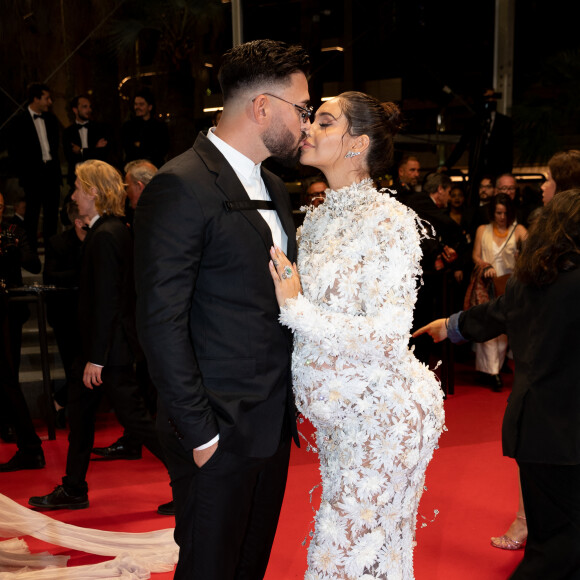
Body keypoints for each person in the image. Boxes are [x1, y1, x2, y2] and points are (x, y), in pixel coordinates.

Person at [134, 39, 310, 580]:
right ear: (262, 108)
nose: (306, 123)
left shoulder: (276, 185)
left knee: (248, 566)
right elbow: (159, 321)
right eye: (302, 109)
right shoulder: (179, 184)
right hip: (216, 431)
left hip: (272, 426)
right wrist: (202, 435)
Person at [268, 91, 445, 579]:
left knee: (340, 558)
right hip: (340, 421)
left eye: (324, 122)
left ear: (357, 144)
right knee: (374, 559)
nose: (308, 129)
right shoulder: (318, 219)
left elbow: (388, 335)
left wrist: (296, 308)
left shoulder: (390, 220)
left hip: (384, 418)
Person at [414, 189, 580, 579]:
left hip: (537, 429)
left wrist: (450, 326)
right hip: (561, 433)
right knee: (560, 547)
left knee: (552, 535)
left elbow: (491, 314)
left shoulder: (533, 282)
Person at [28, 160, 168, 512]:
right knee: (81, 419)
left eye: (77, 187)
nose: (73, 195)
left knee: (137, 421)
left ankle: (195, 480)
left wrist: (97, 358)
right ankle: (74, 488)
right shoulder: (109, 229)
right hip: (101, 349)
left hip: (109, 352)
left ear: (92, 191)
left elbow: (108, 301)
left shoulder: (107, 234)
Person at [0, 191, 44, 472]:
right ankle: (26, 443)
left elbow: (33, 263)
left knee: (7, 377)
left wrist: (13, 249)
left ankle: (29, 446)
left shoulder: (13, 231)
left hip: (7, 312)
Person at [469, 194, 526, 390]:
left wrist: (521, 258)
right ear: (492, 212)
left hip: (509, 284)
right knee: (488, 324)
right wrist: (484, 266)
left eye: (505, 213)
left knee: (503, 329)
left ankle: (494, 368)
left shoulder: (519, 230)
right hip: (487, 283)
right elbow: (475, 255)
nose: (502, 217)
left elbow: (529, 254)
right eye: (498, 212)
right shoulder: (482, 230)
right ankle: (491, 372)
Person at [8, 82, 61, 248]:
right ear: (36, 99)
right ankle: (29, 251)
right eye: (46, 98)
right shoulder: (19, 121)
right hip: (33, 175)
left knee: (51, 214)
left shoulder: (52, 120)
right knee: (32, 213)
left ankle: (51, 249)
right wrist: (24, 175)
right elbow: (15, 152)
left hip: (51, 171)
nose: (50, 102)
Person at [62, 95, 111, 190]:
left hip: (98, 176)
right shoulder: (68, 132)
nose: (89, 110)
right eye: (85, 107)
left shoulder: (100, 129)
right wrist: (94, 149)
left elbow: (102, 154)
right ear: (75, 110)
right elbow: (70, 157)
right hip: (77, 178)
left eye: (90, 107)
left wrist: (81, 151)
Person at [121, 88, 169, 169]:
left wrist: (140, 146)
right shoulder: (128, 126)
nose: (137, 107)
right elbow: (129, 149)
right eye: (136, 104)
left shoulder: (159, 127)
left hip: (154, 168)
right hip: (132, 168)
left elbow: (161, 150)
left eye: (141, 104)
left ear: (150, 107)